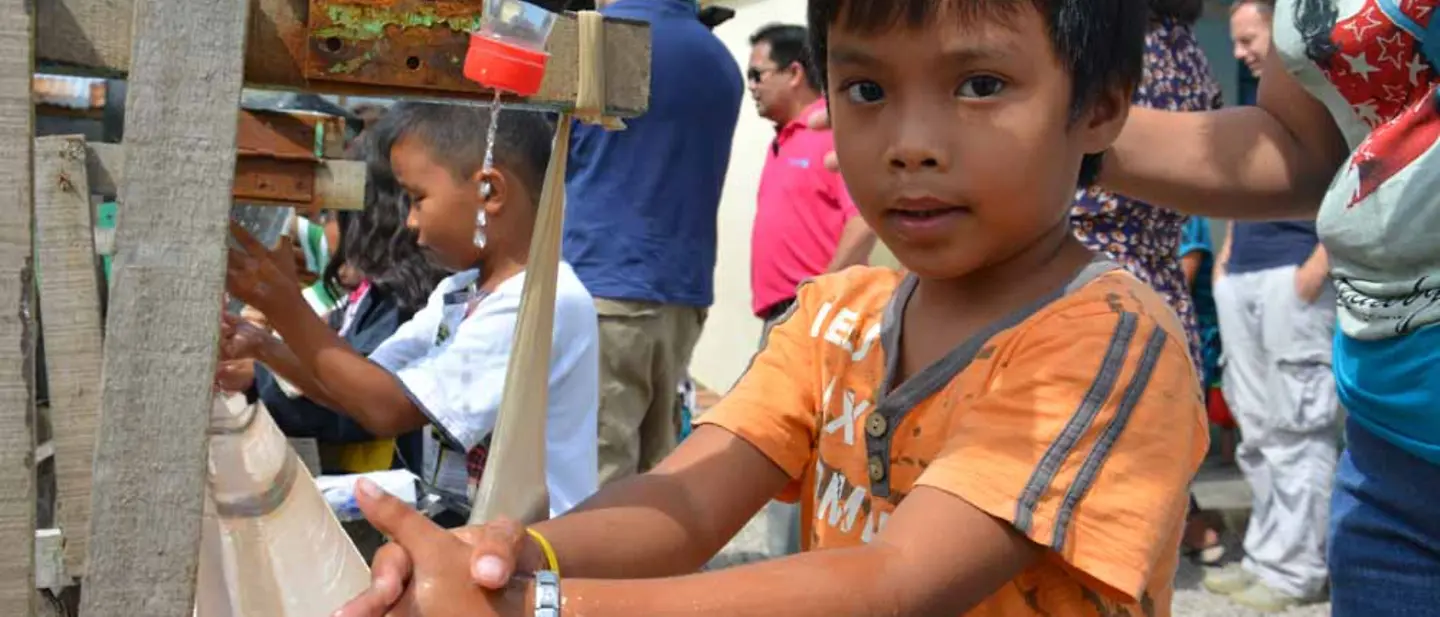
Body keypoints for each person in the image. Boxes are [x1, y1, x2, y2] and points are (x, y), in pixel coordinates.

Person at [333, 1, 1208, 616]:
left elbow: (897, 583)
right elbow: (686, 501)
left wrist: (547, 605)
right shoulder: (840, 312)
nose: (910, 146)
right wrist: (512, 554)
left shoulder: (1107, 344)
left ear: (1101, 105)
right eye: (866, 90)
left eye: (979, 84)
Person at [1088, 0, 1440, 611]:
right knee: (1265, 432)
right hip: (1389, 443)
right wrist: (1056, 134)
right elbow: (1302, 146)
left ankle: (1287, 568)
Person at [223, 102, 599, 526]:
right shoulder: (458, 293)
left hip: (534, 552)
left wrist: (286, 308)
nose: (412, 222)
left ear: (489, 192)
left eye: (418, 199)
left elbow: (386, 409)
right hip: (475, 537)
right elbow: (357, 386)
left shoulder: (540, 302)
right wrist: (265, 345)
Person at [563, 0, 743, 487]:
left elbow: (549, 160)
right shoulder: (720, 61)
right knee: (656, 469)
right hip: (682, 290)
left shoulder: (597, 43)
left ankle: (599, 567)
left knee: (594, 473)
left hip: (603, 283)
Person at [1194, 8, 1337, 607]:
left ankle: (1298, 572)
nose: (1244, 52)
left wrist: (1320, 264)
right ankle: (1265, 557)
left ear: (1281, 32)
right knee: (1257, 429)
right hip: (1247, 276)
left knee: (1300, 427)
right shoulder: (1262, 101)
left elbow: (1365, 174)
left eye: (1249, 40)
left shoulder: (1330, 91)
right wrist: (1228, 252)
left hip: (1295, 275)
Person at [216, 124, 451, 477]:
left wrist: (264, 360)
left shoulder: (404, 301)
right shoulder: (378, 295)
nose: (330, 230)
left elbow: (360, 405)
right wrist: (263, 349)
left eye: (333, 215)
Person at [747, 23, 875, 326]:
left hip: (817, 313)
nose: (751, 86)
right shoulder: (783, 141)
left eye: (757, 75)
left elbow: (864, 220)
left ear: (794, 73)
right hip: (787, 313)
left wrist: (819, 295)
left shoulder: (828, 134)